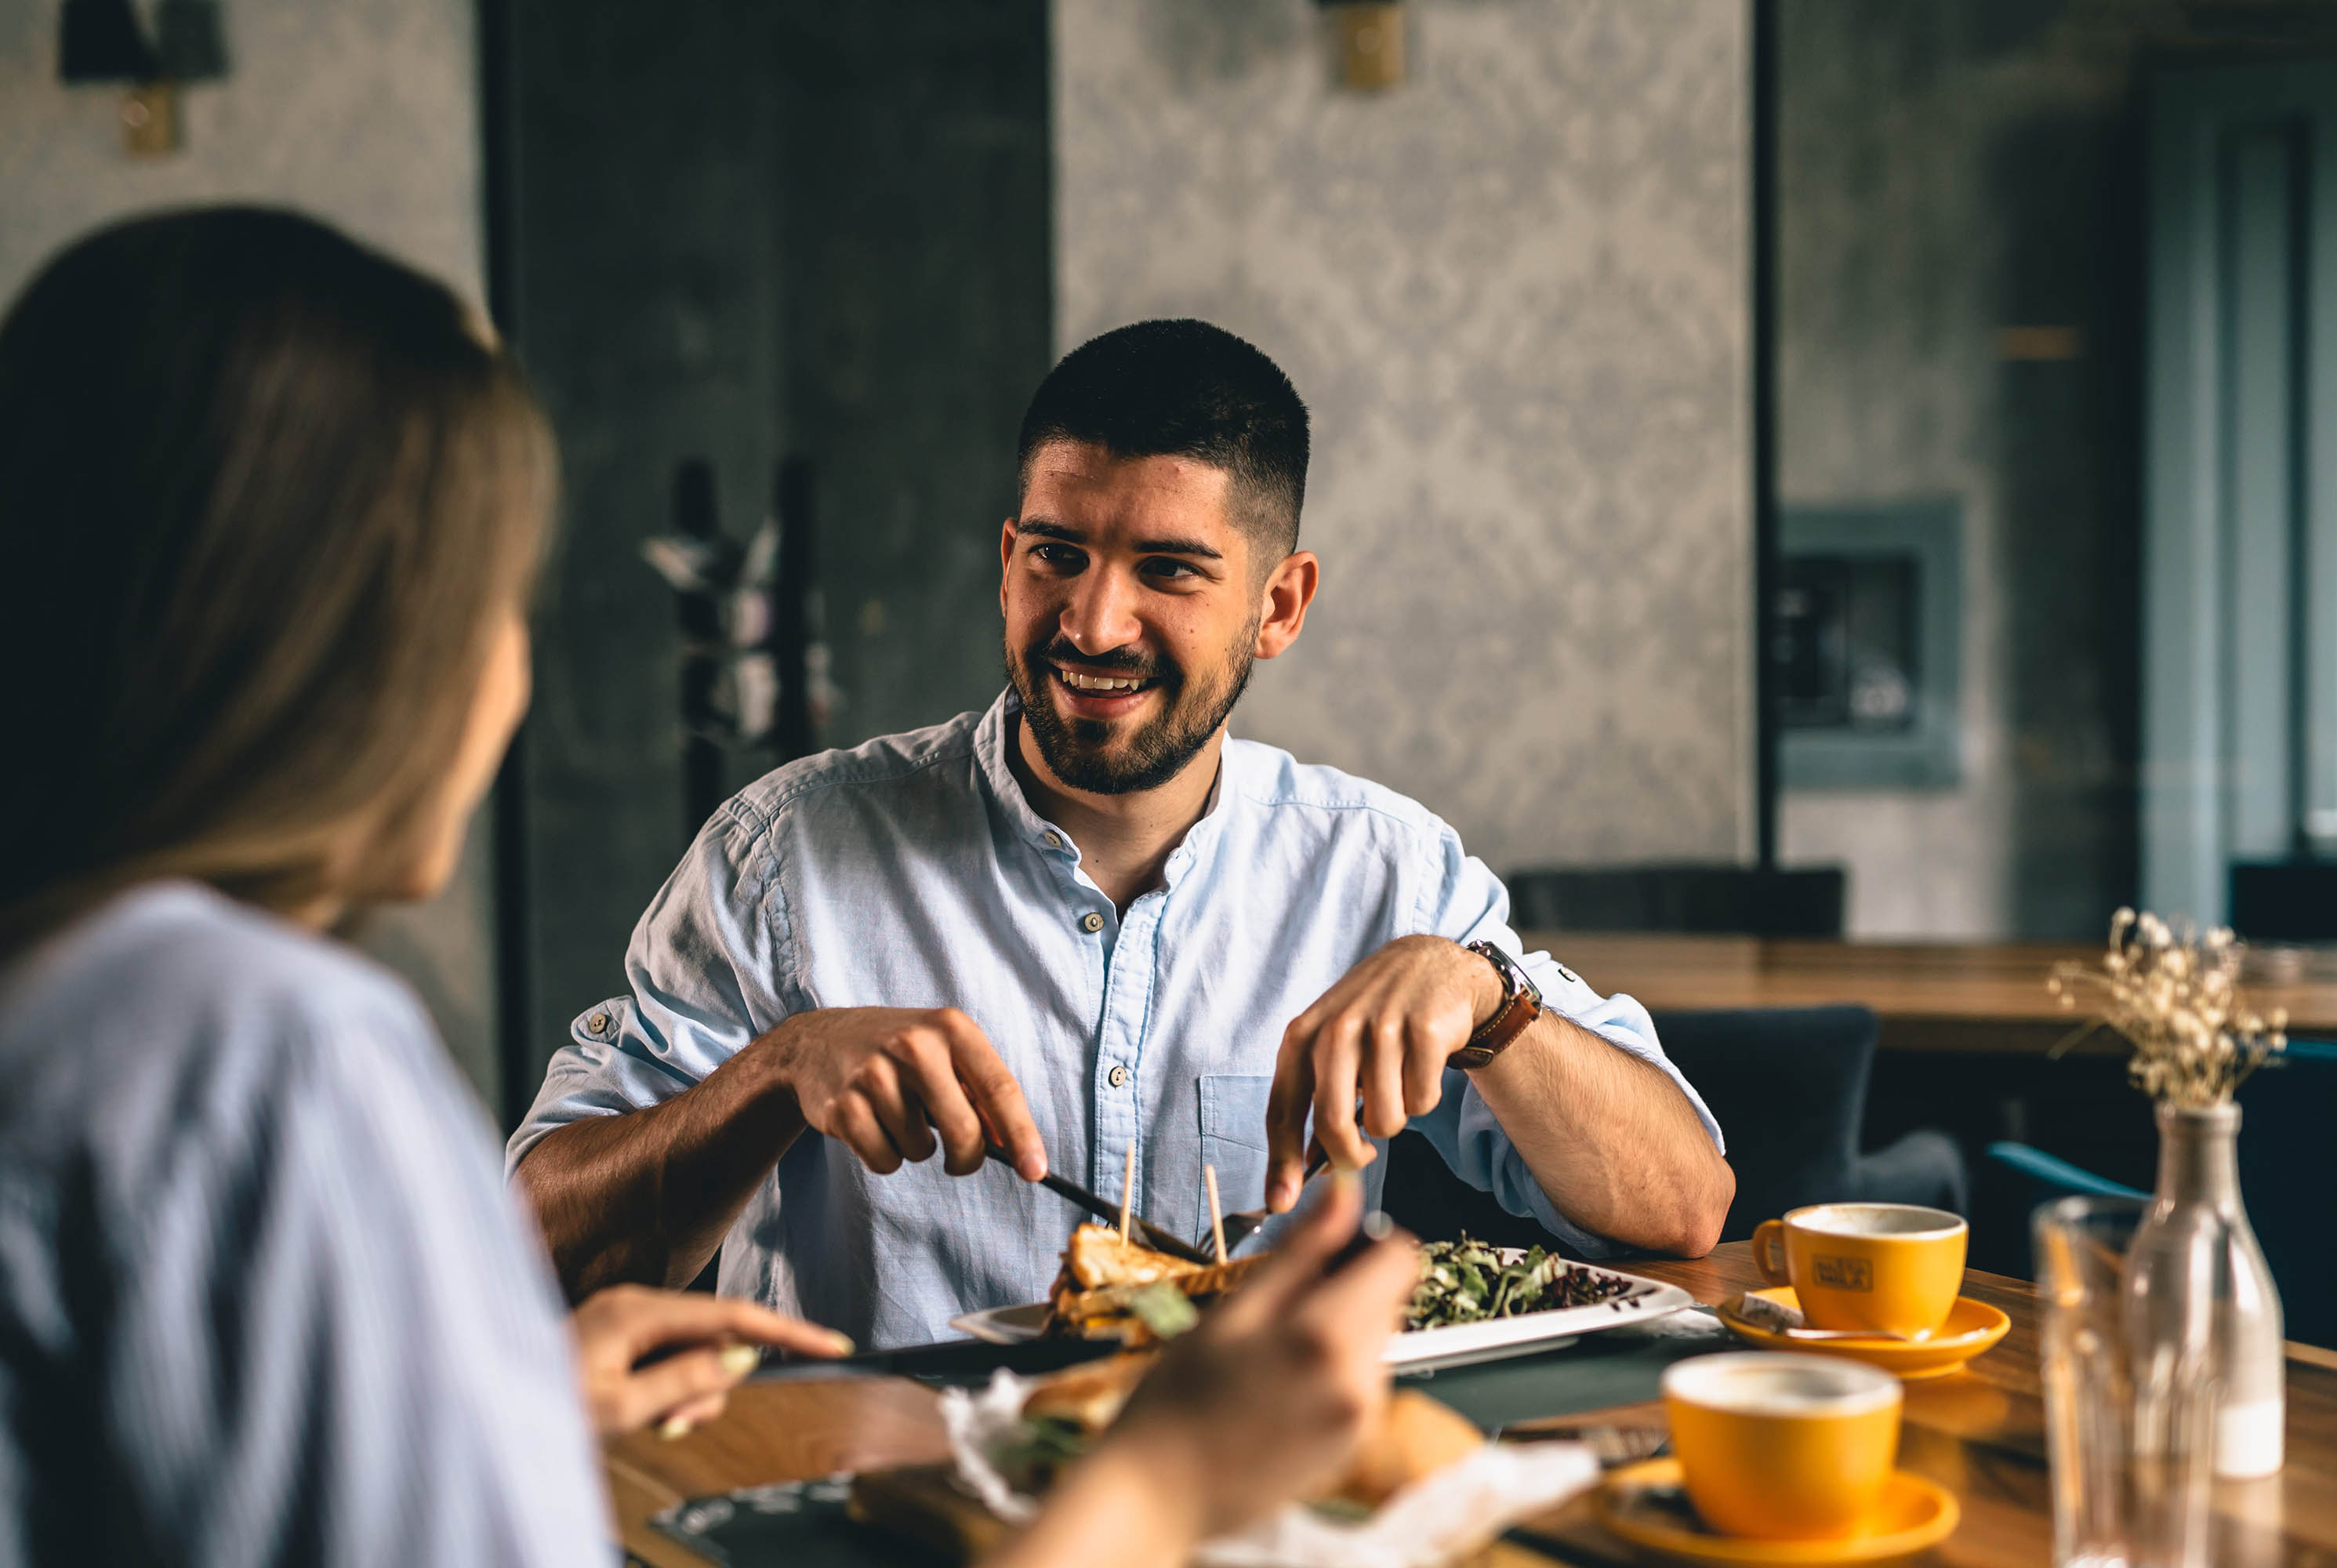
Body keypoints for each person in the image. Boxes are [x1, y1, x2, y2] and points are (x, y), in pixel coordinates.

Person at [0, 208, 1421, 1566]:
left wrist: (511, 1418)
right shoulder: (269, 1049)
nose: (512, 678)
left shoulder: (72, 999)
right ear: (330, 654)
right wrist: (1166, 1484)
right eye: (494, 604)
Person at [513, 318, 1736, 1350]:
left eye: (1168, 569)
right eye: (1058, 554)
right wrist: (773, 1077)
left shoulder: (1389, 871)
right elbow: (533, 1258)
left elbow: (1683, 1210)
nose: (1093, 622)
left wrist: (1491, 1003)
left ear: (1280, 606)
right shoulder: (781, 858)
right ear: (1007, 565)